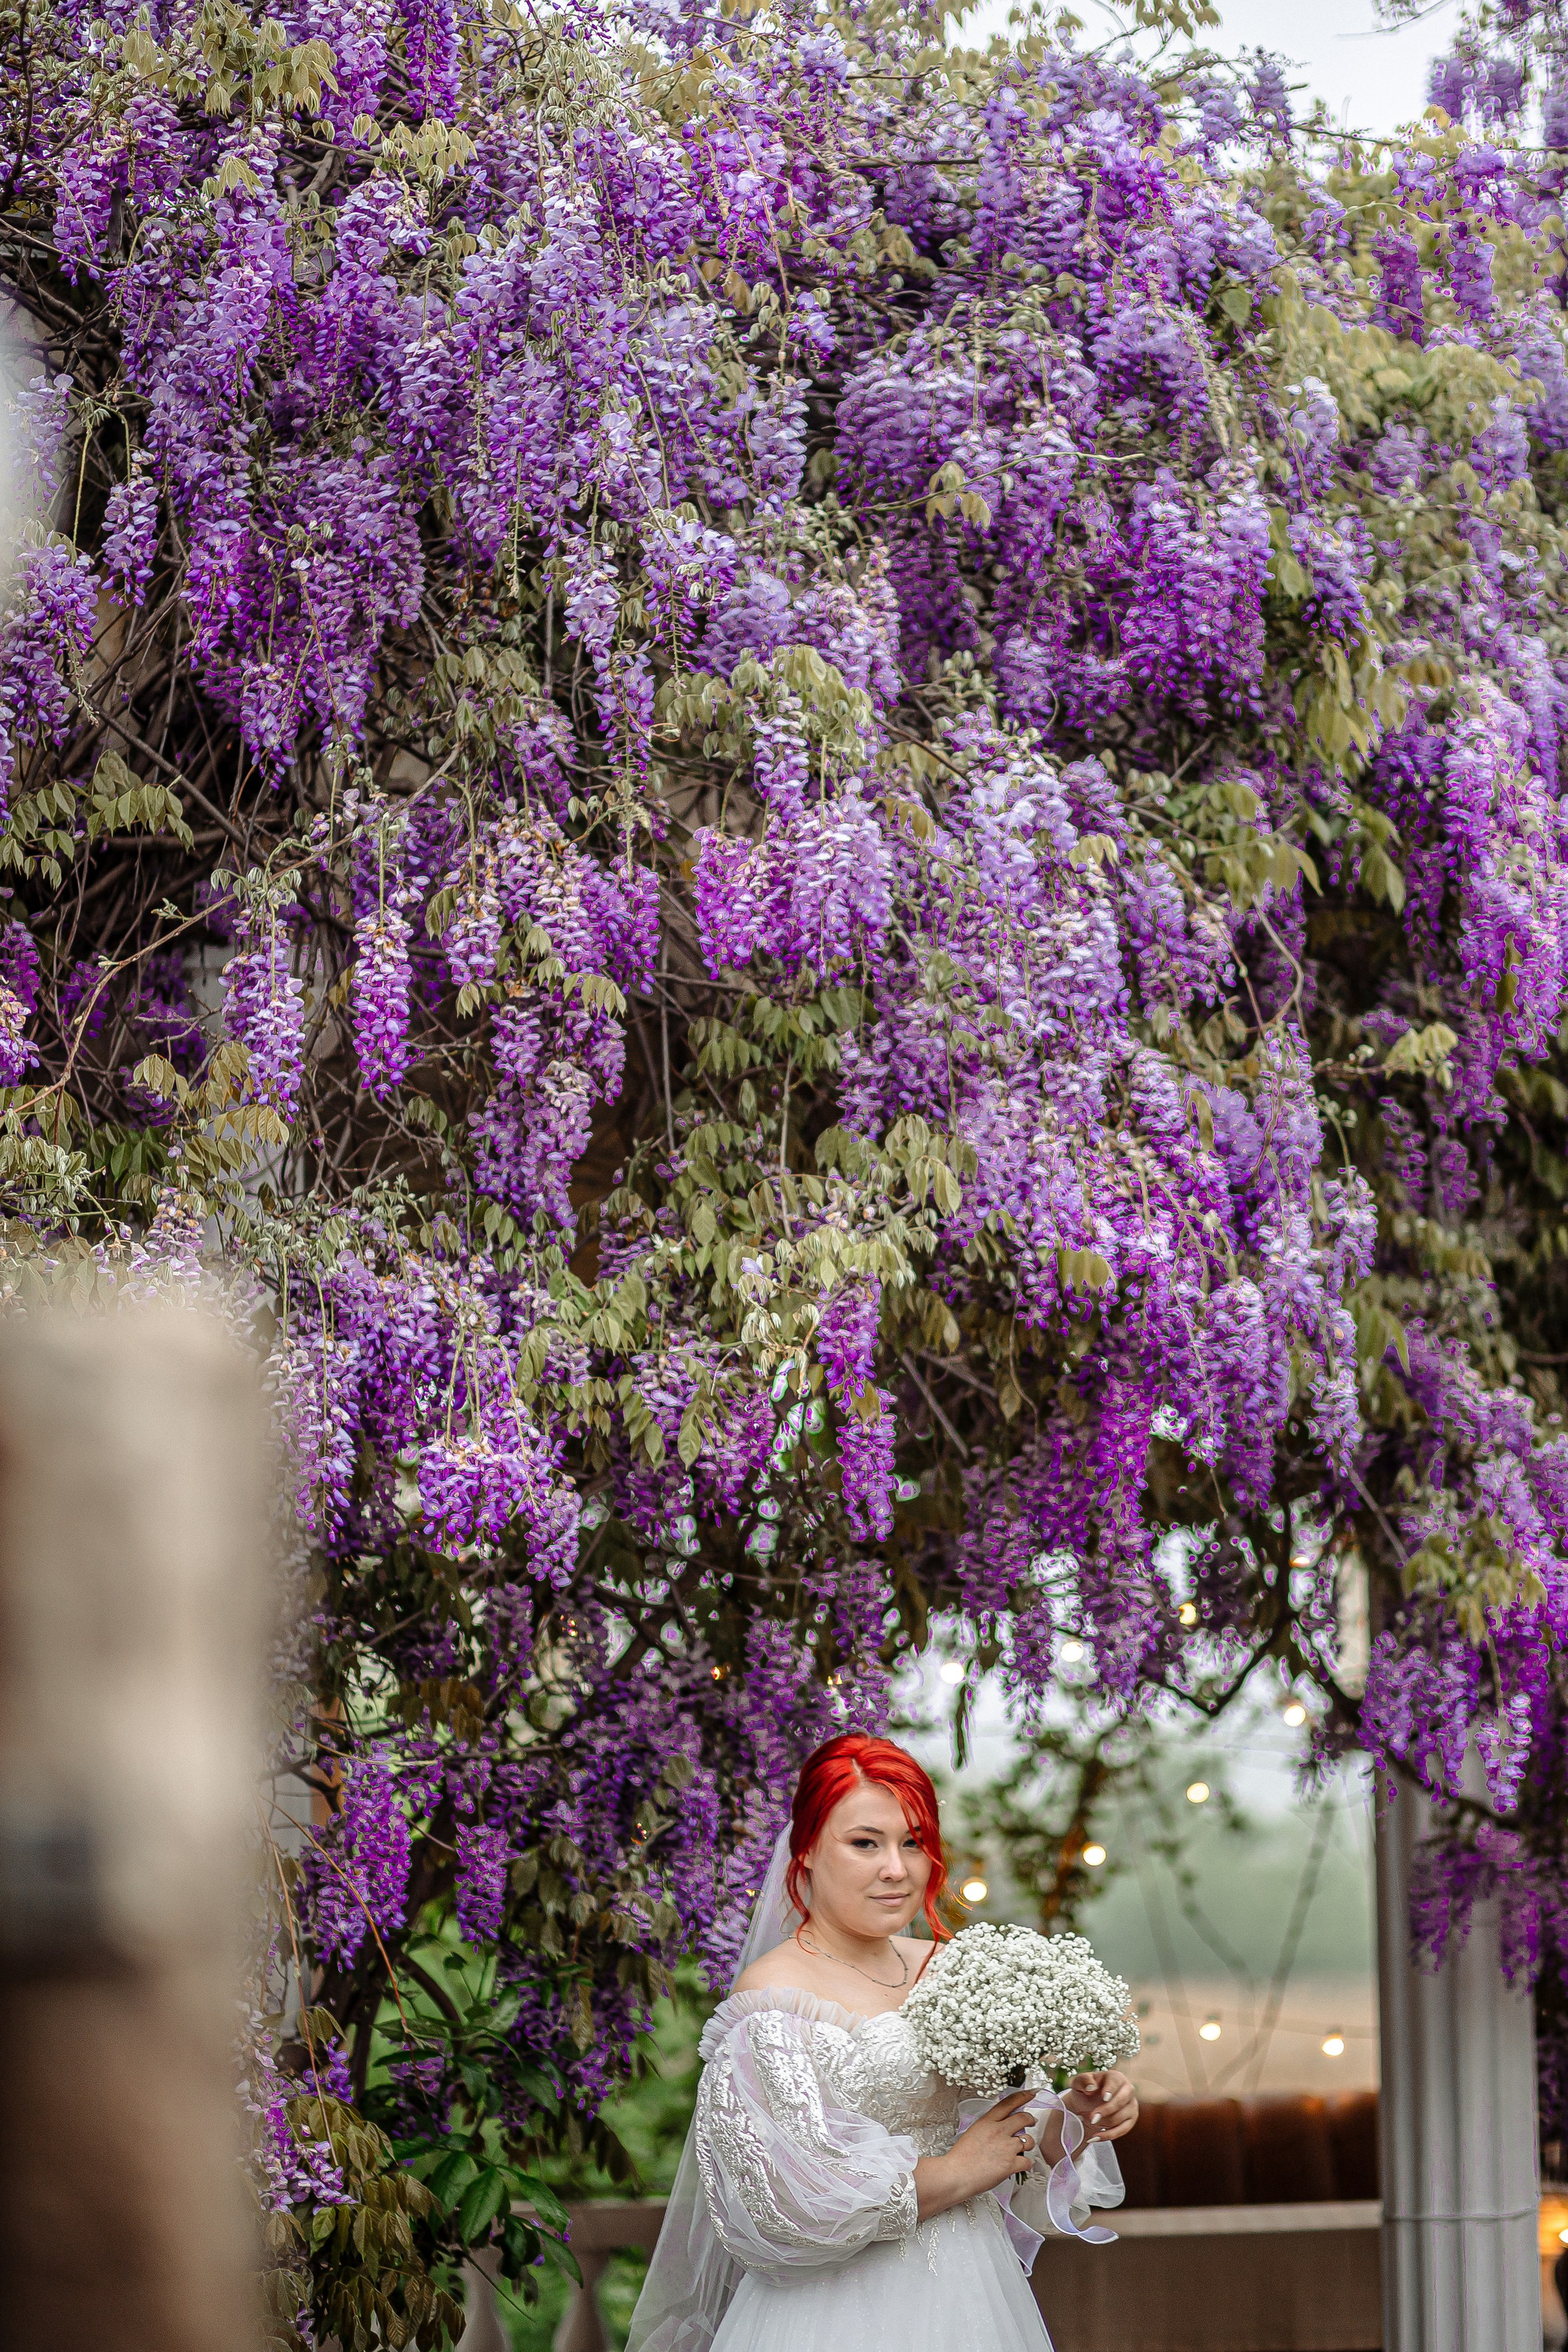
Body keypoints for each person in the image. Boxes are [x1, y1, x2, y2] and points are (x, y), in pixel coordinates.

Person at [626, 1732, 1138, 2352]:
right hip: (831, 2313)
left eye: (912, 1843)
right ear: (808, 1848)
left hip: (971, 2293)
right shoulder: (773, 1996)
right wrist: (955, 2171)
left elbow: (1015, 2134)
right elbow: (784, 2208)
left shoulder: (955, 1969)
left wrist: (1078, 2116)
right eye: (865, 1843)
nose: (896, 1869)